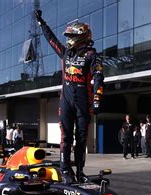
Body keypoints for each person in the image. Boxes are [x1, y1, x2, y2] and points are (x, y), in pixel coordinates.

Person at [35, 10, 104, 179]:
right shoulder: (65, 53)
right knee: (65, 136)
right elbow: (51, 40)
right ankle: (65, 169)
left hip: (84, 103)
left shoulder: (92, 55)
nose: (69, 40)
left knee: (81, 139)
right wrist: (42, 24)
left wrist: (97, 98)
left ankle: (80, 171)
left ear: (82, 37)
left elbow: (99, 76)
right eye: (68, 37)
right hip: (66, 102)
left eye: (72, 37)